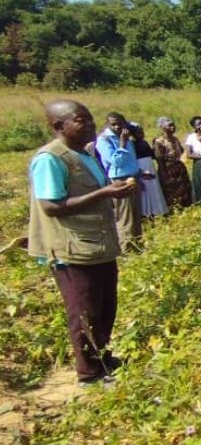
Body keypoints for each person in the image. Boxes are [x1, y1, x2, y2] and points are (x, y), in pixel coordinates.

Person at [27, 100, 130, 384]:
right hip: (72, 250)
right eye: (80, 120)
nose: (90, 124)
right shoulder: (51, 159)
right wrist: (105, 193)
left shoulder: (83, 154)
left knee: (105, 307)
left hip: (97, 245)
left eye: (89, 118)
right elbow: (51, 205)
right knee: (84, 311)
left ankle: (104, 359)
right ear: (59, 126)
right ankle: (89, 373)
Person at [95, 111, 143, 252]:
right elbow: (117, 161)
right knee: (125, 217)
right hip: (120, 181)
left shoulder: (126, 134)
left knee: (136, 215)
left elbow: (137, 129)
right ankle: (126, 249)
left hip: (133, 177)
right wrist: (122, 144)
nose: (117, 127)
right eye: (113, 125)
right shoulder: (104, 140)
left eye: (120, 124)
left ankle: (137, 245)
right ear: (107, 125)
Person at [129, 123, 167, 220]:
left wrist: (155, 146)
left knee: (154, 188)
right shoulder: (132, 144)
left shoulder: (144, 142)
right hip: (142, 167)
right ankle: (147, 212)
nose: (141, 134)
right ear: (133, 134)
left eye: (142, 132)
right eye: (138, 132)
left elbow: (153, 155)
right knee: (146, 190)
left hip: (150, 166)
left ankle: (157, 210)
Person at [152, 117, 192, 211]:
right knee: (170, 191)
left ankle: (185, 208)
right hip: (167, 170)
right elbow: (159, 159)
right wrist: (163, 173)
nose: (172, 127)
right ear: (162, 127)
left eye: (173, 125)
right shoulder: (159, 141)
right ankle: (173, 210)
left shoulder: (175, 139)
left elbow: (181, 151)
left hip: (179, 167)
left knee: (184, 190)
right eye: (169, 125)